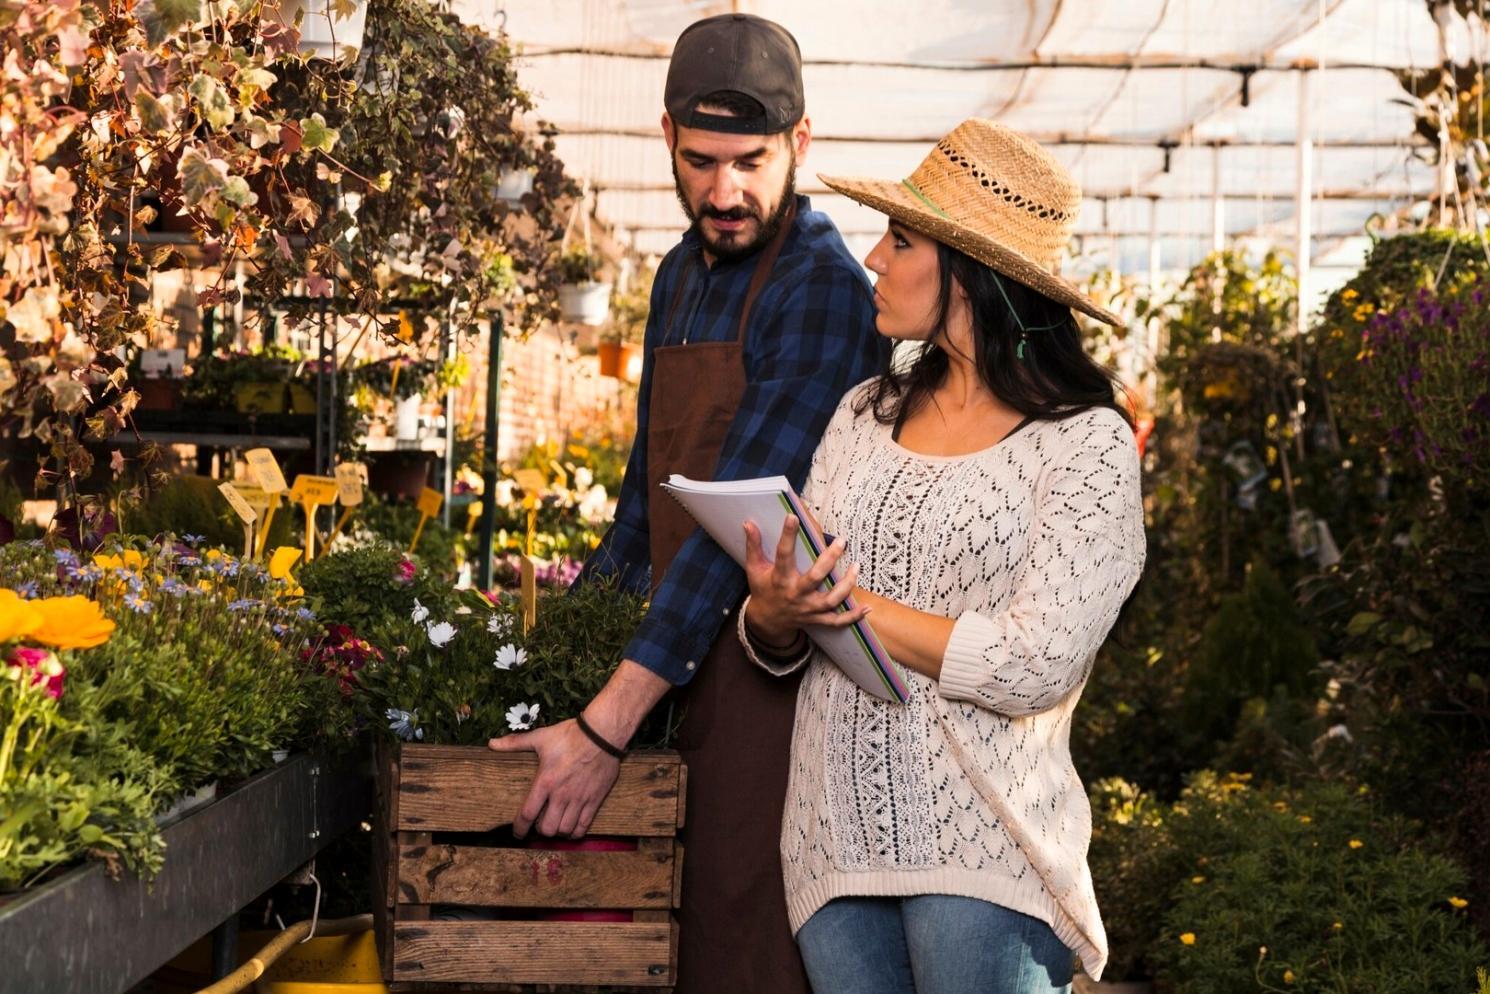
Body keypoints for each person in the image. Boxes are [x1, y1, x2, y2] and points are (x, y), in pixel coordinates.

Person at [488, 13, 886, 994]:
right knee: (668, 933)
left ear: (800, 144)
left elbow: (741, 532)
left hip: (775, 682)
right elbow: (643, 506)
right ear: (666, 138)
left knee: (742, 941)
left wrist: (603, 723)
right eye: (701, 160)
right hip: (677, 660)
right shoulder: (679, 273)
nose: (724, 191)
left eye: (749, 161)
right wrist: (551, 654)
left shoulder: (819, 288)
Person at [735, 119, 1146, 994]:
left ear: (972, 273)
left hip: (986, 849)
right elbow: (786, 642)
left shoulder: (1085, 445)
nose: (874, 259)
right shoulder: (862, 414)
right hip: (832, 843)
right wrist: (775, 611)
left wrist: (848, 604)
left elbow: (1037, 662)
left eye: (901, 238)